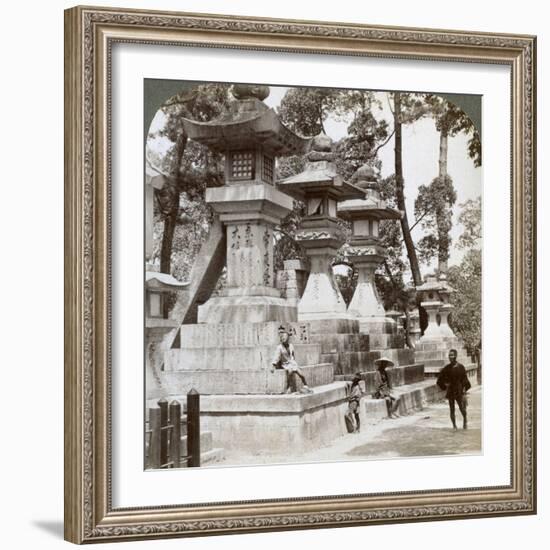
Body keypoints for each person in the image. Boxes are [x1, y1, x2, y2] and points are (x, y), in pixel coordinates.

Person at [271, 326, 313, 394]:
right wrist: (273, 365)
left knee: (301, 373)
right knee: (290, 372)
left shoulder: (291, 346)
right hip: (285, 364)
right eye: (283, 338)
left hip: (292, 362)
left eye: (286, 338)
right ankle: (289, 386)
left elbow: (292, 355)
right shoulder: (279, 347)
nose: (285, 339)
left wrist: (294, 362)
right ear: (281, 339)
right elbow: (276, 357)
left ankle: (306, 385)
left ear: (288, 339)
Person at [436, 349, 471, 430]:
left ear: (455, 356)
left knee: (462, 408)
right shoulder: (446, 368)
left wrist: (464, 391)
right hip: (451, 390)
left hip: (459, 390)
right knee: (452, 410)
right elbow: (439, 380)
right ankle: (454, 426)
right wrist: (445, 385)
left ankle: (465, 419)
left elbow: (465, 380)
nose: (450, 357)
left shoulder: (461, 367)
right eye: (449, 355)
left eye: (452, 355)